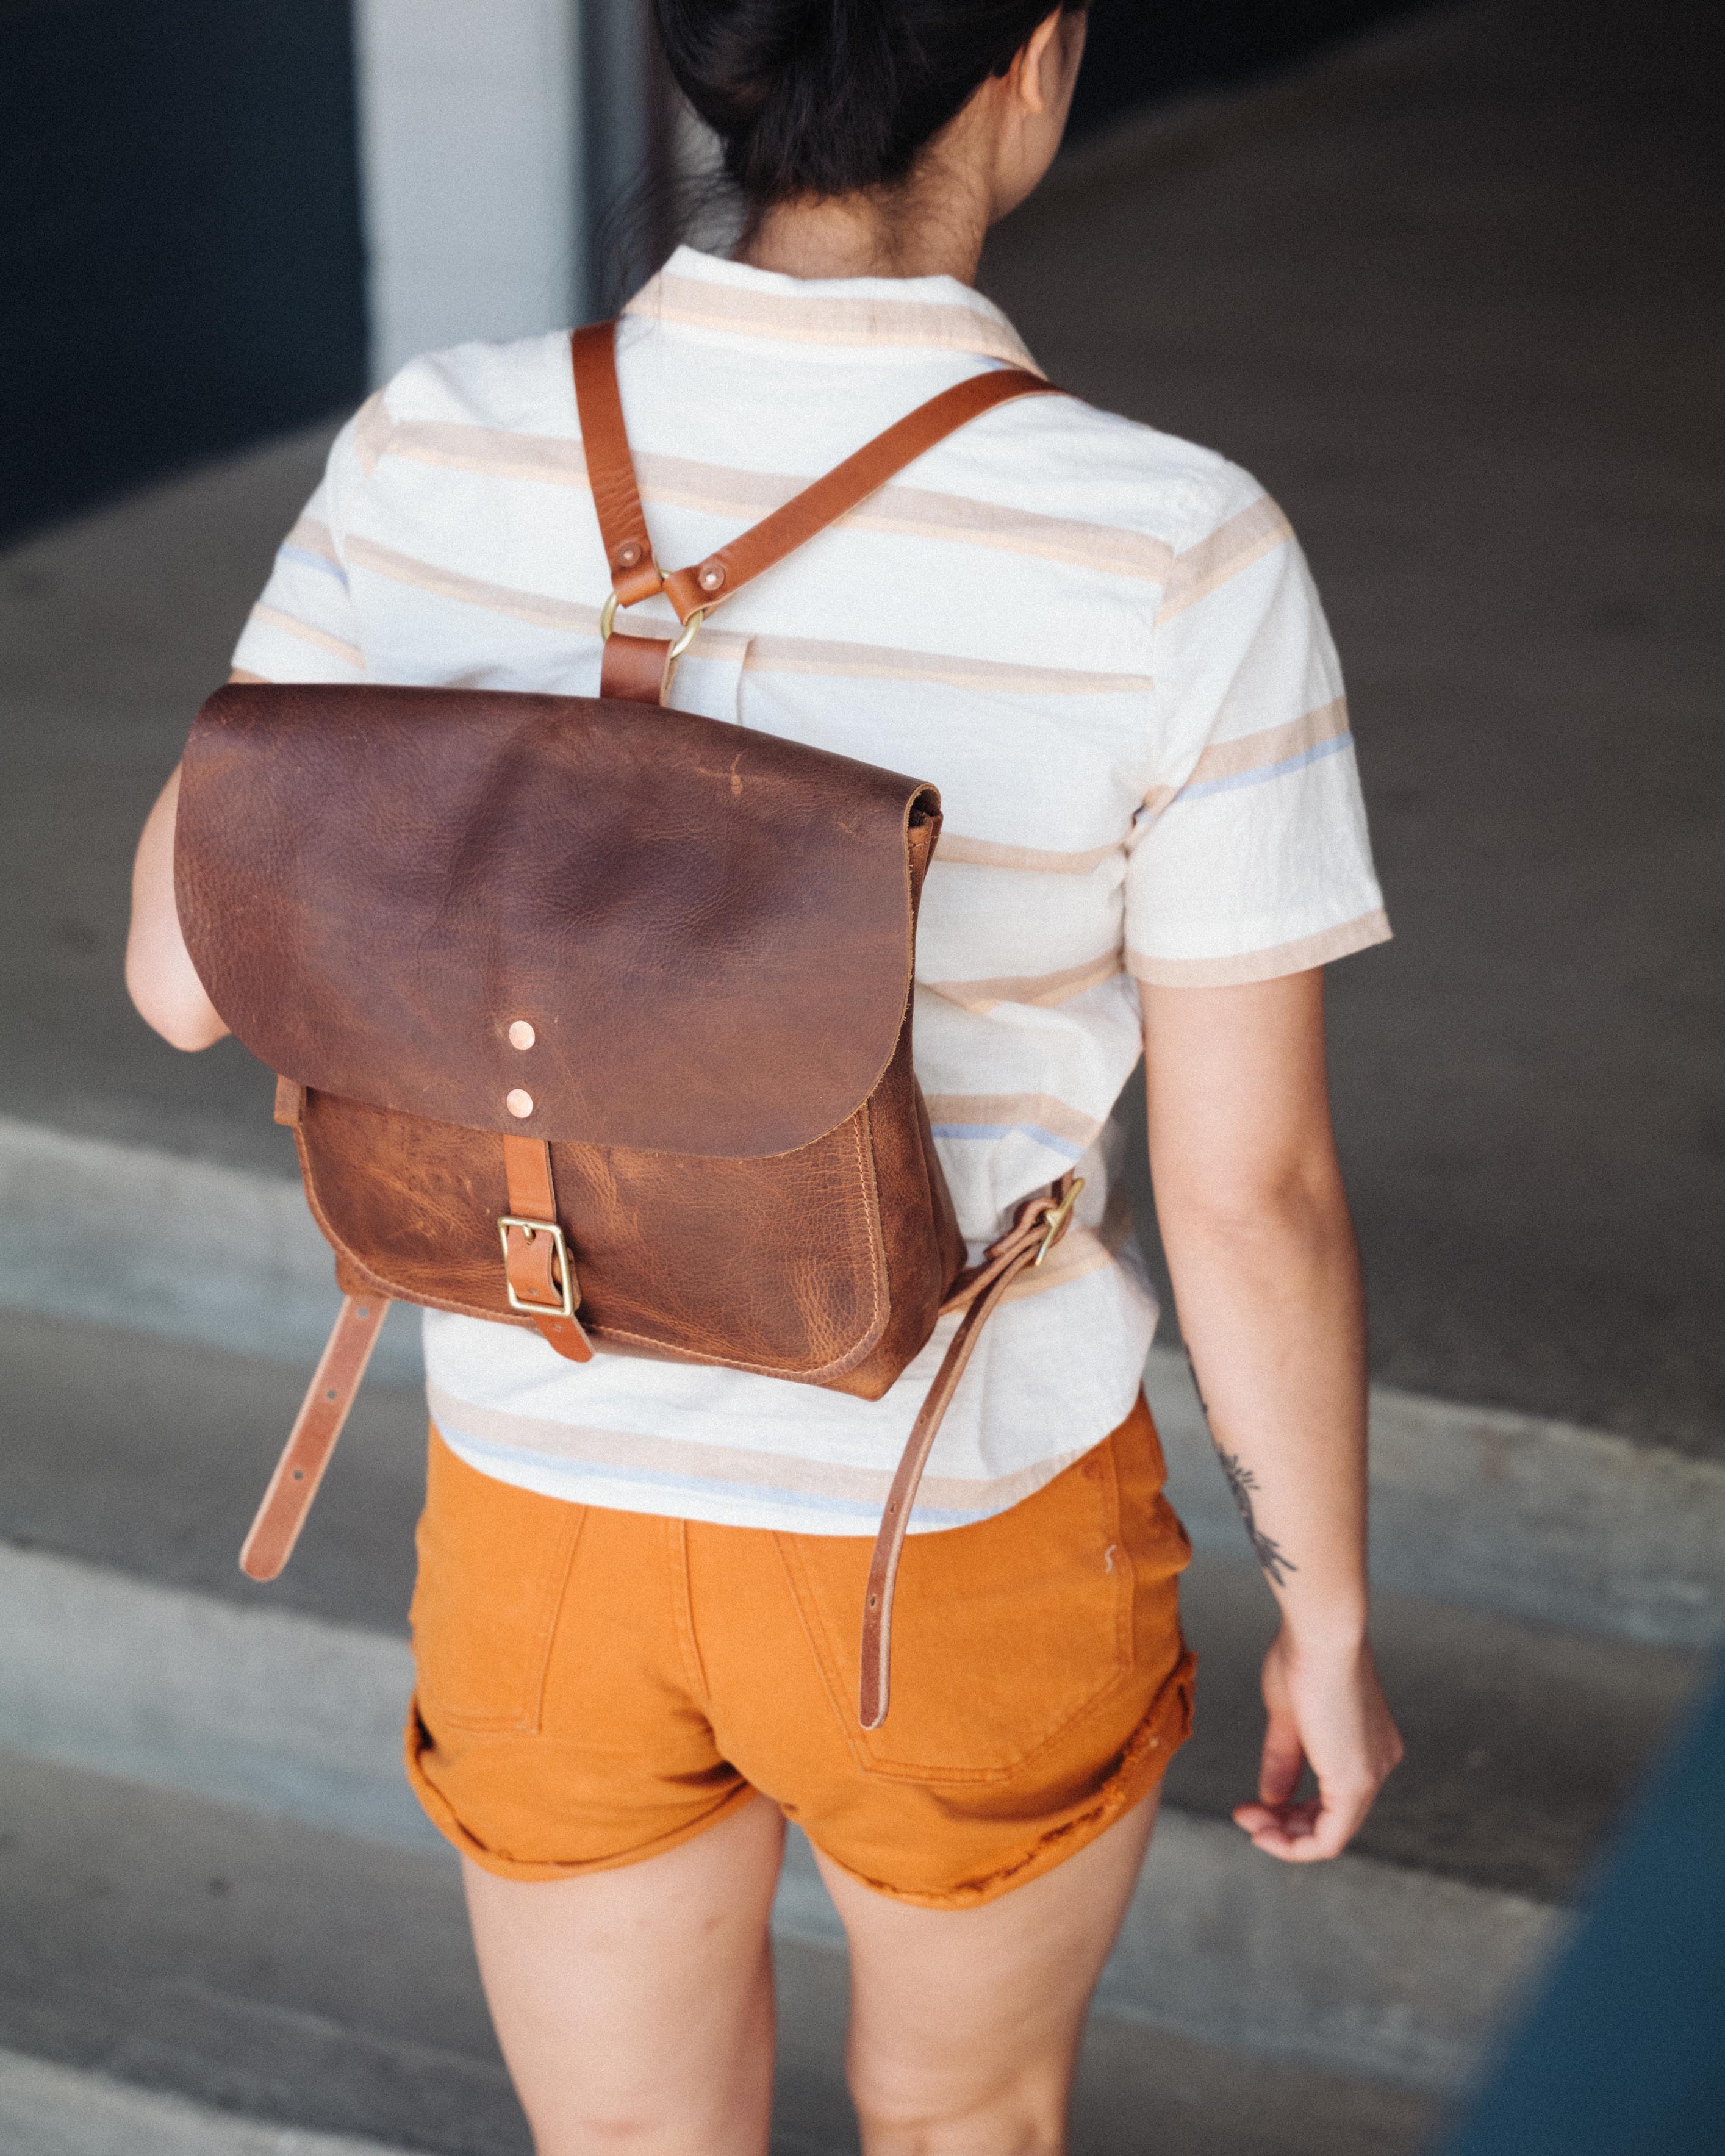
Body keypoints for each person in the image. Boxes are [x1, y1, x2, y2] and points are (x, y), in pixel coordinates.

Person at [125, 3, 1404, 2149]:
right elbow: (1250, 1190)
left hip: (539, 1491)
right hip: (959, 1522)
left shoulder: (435, 442)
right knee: (967, 2127)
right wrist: (1333, 1625)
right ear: (1035, 57)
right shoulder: (1171, 544)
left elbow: (179, 973)